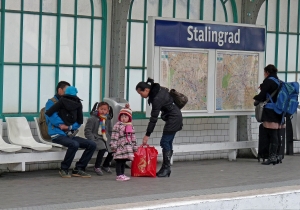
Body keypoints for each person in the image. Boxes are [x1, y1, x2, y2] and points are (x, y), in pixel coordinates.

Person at [45, 81, 96, 178]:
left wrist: (70, 127)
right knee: (74, 144)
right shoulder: (52, 102)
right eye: (66, 91)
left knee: (92, 144)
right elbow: (52, 117)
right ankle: (64, 169)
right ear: (60, 90)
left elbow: (78, 120)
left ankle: (79, 169)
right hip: (57, 134)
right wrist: (63, 125)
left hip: (70, 134)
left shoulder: (74, 103)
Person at [136, 78, 183, 177]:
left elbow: (154, 118)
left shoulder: (156, 98)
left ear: (147, 90)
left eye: (141, 93)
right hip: (175, 116)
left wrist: (147, 135)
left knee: (165, 142)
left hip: (174, 118)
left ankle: (166, 168)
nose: (141, 96)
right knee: (168, 142)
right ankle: (166, 168)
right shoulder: (157, 91)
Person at [254, 64, 283, 165]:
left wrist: (255, 98)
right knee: (277, 133)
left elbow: (262, 95)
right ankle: (278, 156)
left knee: (272, 134)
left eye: (264, 73)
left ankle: (272, 157)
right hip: (279, 111)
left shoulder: (268, 81)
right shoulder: (279, 82)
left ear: (267, 72)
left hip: (271, 112)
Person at [84, 102, 114, 176]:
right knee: (102, 148)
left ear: (108, 111)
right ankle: (97, 166)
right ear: (98, 109)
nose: (103, 111)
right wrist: (92, 139)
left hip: (106, 137)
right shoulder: (92, 119)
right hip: (96, 138)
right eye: (101, 109)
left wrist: (113, 139)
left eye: (105, 109)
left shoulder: (108, 119)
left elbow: (110, 130)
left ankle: (105, 165)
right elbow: (87, 131)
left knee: (113, 149)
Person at [110, 108, 138, 181]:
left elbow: (133, 137)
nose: (123, 118)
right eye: (122, 117)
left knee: (124, 160)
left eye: (125, 117)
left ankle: (122, 174)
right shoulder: (118, 125)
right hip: (120, 146)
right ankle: (119, 175)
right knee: (119, 160)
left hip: (127, 147)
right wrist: (114, 145)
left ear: (129, 118)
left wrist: (134, 146)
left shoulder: (130, 126)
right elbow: (114, 136)